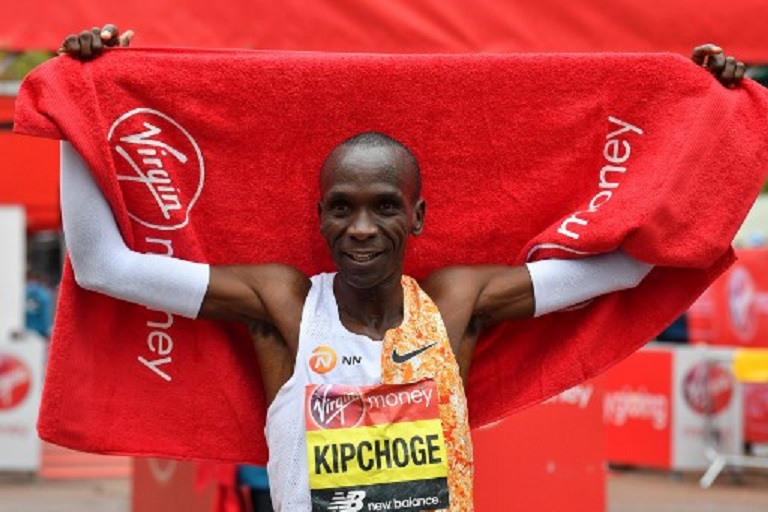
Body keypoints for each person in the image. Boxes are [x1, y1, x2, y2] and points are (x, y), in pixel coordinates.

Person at [58, 26, 745, 512]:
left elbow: (627, 269)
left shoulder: (455, 302)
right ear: (319, 218)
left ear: (417, 219)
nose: (361, 229)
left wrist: (707, 119)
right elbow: (101, 267)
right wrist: (77, 106)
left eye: (384, 206)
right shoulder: (284, 304)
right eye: (341, 209)